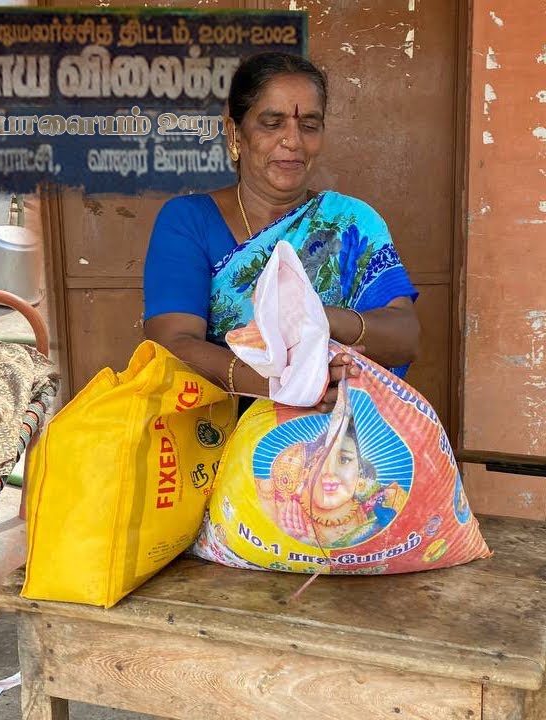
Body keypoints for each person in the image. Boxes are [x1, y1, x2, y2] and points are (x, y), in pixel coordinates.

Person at [142, 52, 421, 412]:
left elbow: (405, 336)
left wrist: (317, 320)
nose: (293, 141)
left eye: (309, 125)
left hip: (343, 448)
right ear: (234, 132)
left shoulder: (352, 222)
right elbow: (173, 344)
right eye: (272, 123)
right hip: (219, 446)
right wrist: (289, 383)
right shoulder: (188, 221)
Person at [258, 420, 406, 548]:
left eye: (345, 460)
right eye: (322, 459)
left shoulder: (387, 503)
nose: (330, 471)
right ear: (307, 470)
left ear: (360, 471)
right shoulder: (272, 502)